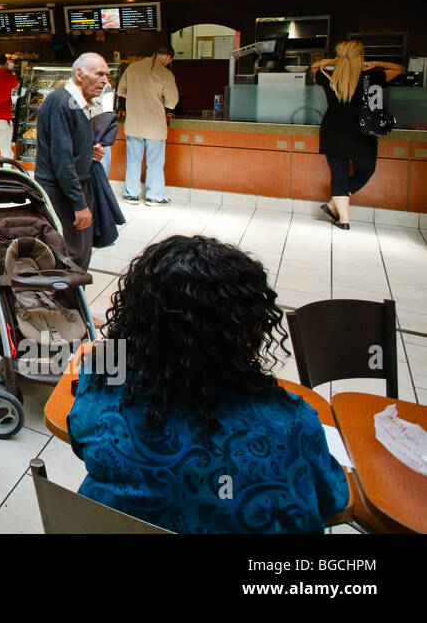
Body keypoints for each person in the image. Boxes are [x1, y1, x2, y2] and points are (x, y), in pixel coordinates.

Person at [69, 236, 348, 533]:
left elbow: (79, 442)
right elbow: (332, 498)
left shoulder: (101, 388)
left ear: (136, 319)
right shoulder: (293, 427)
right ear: (247, 331)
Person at [312, 40, 404, 230]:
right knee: (365, 171)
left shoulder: (326, 74)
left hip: (334, 130)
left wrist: (338, 61)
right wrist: (377, 63)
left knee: (339, 174)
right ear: (361, 56)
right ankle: (331, 206)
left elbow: (314, 65)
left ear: (339, 55)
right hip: (362, 131)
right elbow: (400, 68)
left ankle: (344, 220)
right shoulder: (372, 75)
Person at [34, 53, 108, 269]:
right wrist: (79, 203)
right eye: (99, 74)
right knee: (72, 254)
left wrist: (89, 152)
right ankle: (67, 299)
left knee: (81, 249)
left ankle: (73, 298)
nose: (105, 80)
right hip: (61, 191)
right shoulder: (62, 103)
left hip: (73, 185)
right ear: (79, 74)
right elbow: (62, 160)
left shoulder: (77, 102)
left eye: (107, 75)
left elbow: (70, 146)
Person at [117, 44, 179, 207]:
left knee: (133, 160)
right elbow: (172, 102)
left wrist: (136, 96)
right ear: (168, 57)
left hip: (134, 123)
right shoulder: (165, 74)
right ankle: (154, 197)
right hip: (154, 125)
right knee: (155, 162)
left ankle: (131, 194)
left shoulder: (132, 68)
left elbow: (121, 91)